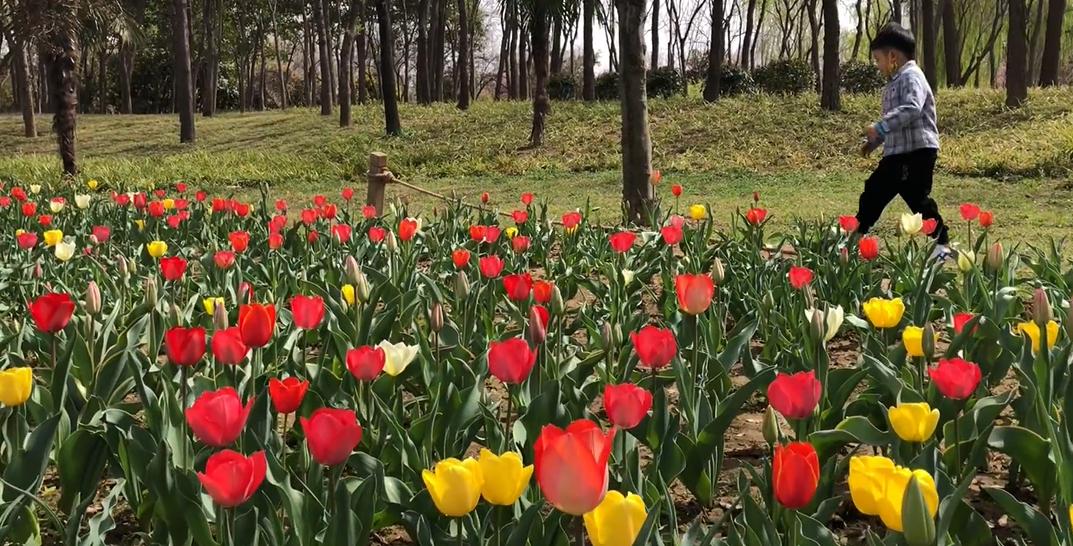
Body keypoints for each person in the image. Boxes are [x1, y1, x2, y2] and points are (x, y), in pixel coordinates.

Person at [856, 23, 950, 260]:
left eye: (878, 59)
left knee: (917, 198)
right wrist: (875, 141)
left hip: (917, 151)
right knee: (874, 191)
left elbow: (911, 109)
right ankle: (856, 233)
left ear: (893, 56)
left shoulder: (911, 76)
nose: (877, 66)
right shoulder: (892, 85)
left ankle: (942, 244)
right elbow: (894, 123)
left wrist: (878, 126)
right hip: (896, 153)